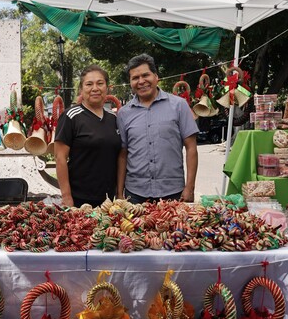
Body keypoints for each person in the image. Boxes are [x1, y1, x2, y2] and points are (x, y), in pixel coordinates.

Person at [116, 54, 199, 204]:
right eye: (135, 78)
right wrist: (119, 193)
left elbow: (191, 148)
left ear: (156, 77)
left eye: (145, 75)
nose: (141, 81)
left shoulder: (179, 105)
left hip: (173, 193)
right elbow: (123, 154)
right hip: (135, 194)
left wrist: (190, 187)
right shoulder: (123, 113)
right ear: (130, 82)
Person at [54, 65, 121, 207]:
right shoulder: (70, 117)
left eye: (100, 83)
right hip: (80, 200)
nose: (95, 88)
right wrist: (66, 196)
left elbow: (120, 155)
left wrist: (119, 194)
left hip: (110, 201)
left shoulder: (113, 119)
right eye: (89, 84)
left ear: (107, 88)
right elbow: (60, 158)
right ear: (81, 89)